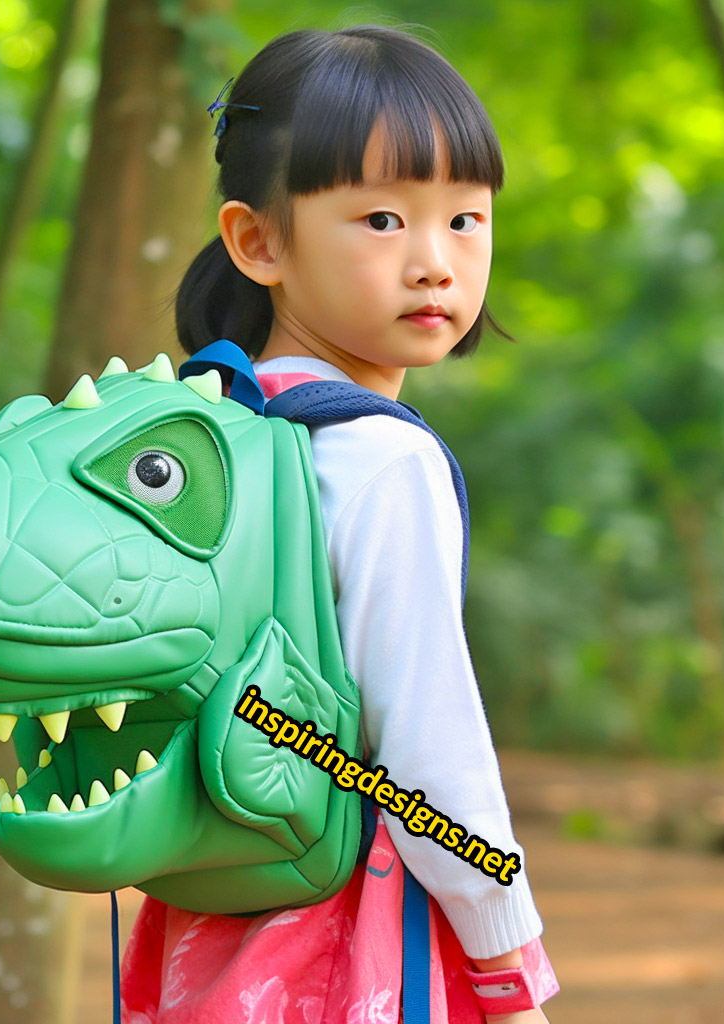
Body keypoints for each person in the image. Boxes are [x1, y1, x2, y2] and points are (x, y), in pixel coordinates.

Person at [121, 23, 559, 1023]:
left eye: (464, 219)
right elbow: (425, 750)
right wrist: (506, 961)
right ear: (257, 241)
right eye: (379, 220)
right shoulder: (384, 460)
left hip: (203, 923)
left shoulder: (215, 431)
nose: (433, 262)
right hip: (342, 942)